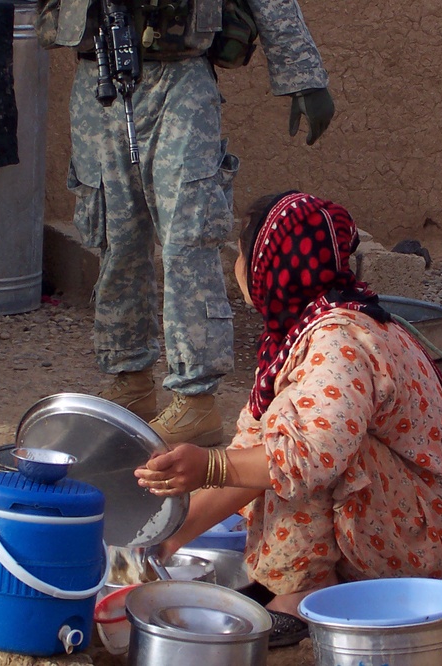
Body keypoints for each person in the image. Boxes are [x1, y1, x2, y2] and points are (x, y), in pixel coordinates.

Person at [134, 191, 442, 647]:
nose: (239, 267)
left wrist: (209, 465)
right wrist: (164, 542)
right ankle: (304, 577)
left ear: (270, 264)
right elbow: (249, 461)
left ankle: (303, 592)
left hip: (426, 541)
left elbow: (304, 458)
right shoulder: (307, 329)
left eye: (244, 253)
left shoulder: (339, 341)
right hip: (413, 519)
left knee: (299, 441)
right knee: (277, 444)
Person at [34, 0, 335, 447]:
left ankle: (196, 401)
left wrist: (302, 75)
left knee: (189, 237)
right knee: (113, 235)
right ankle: (129, 379)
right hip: (98, 72)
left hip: (179, 80)